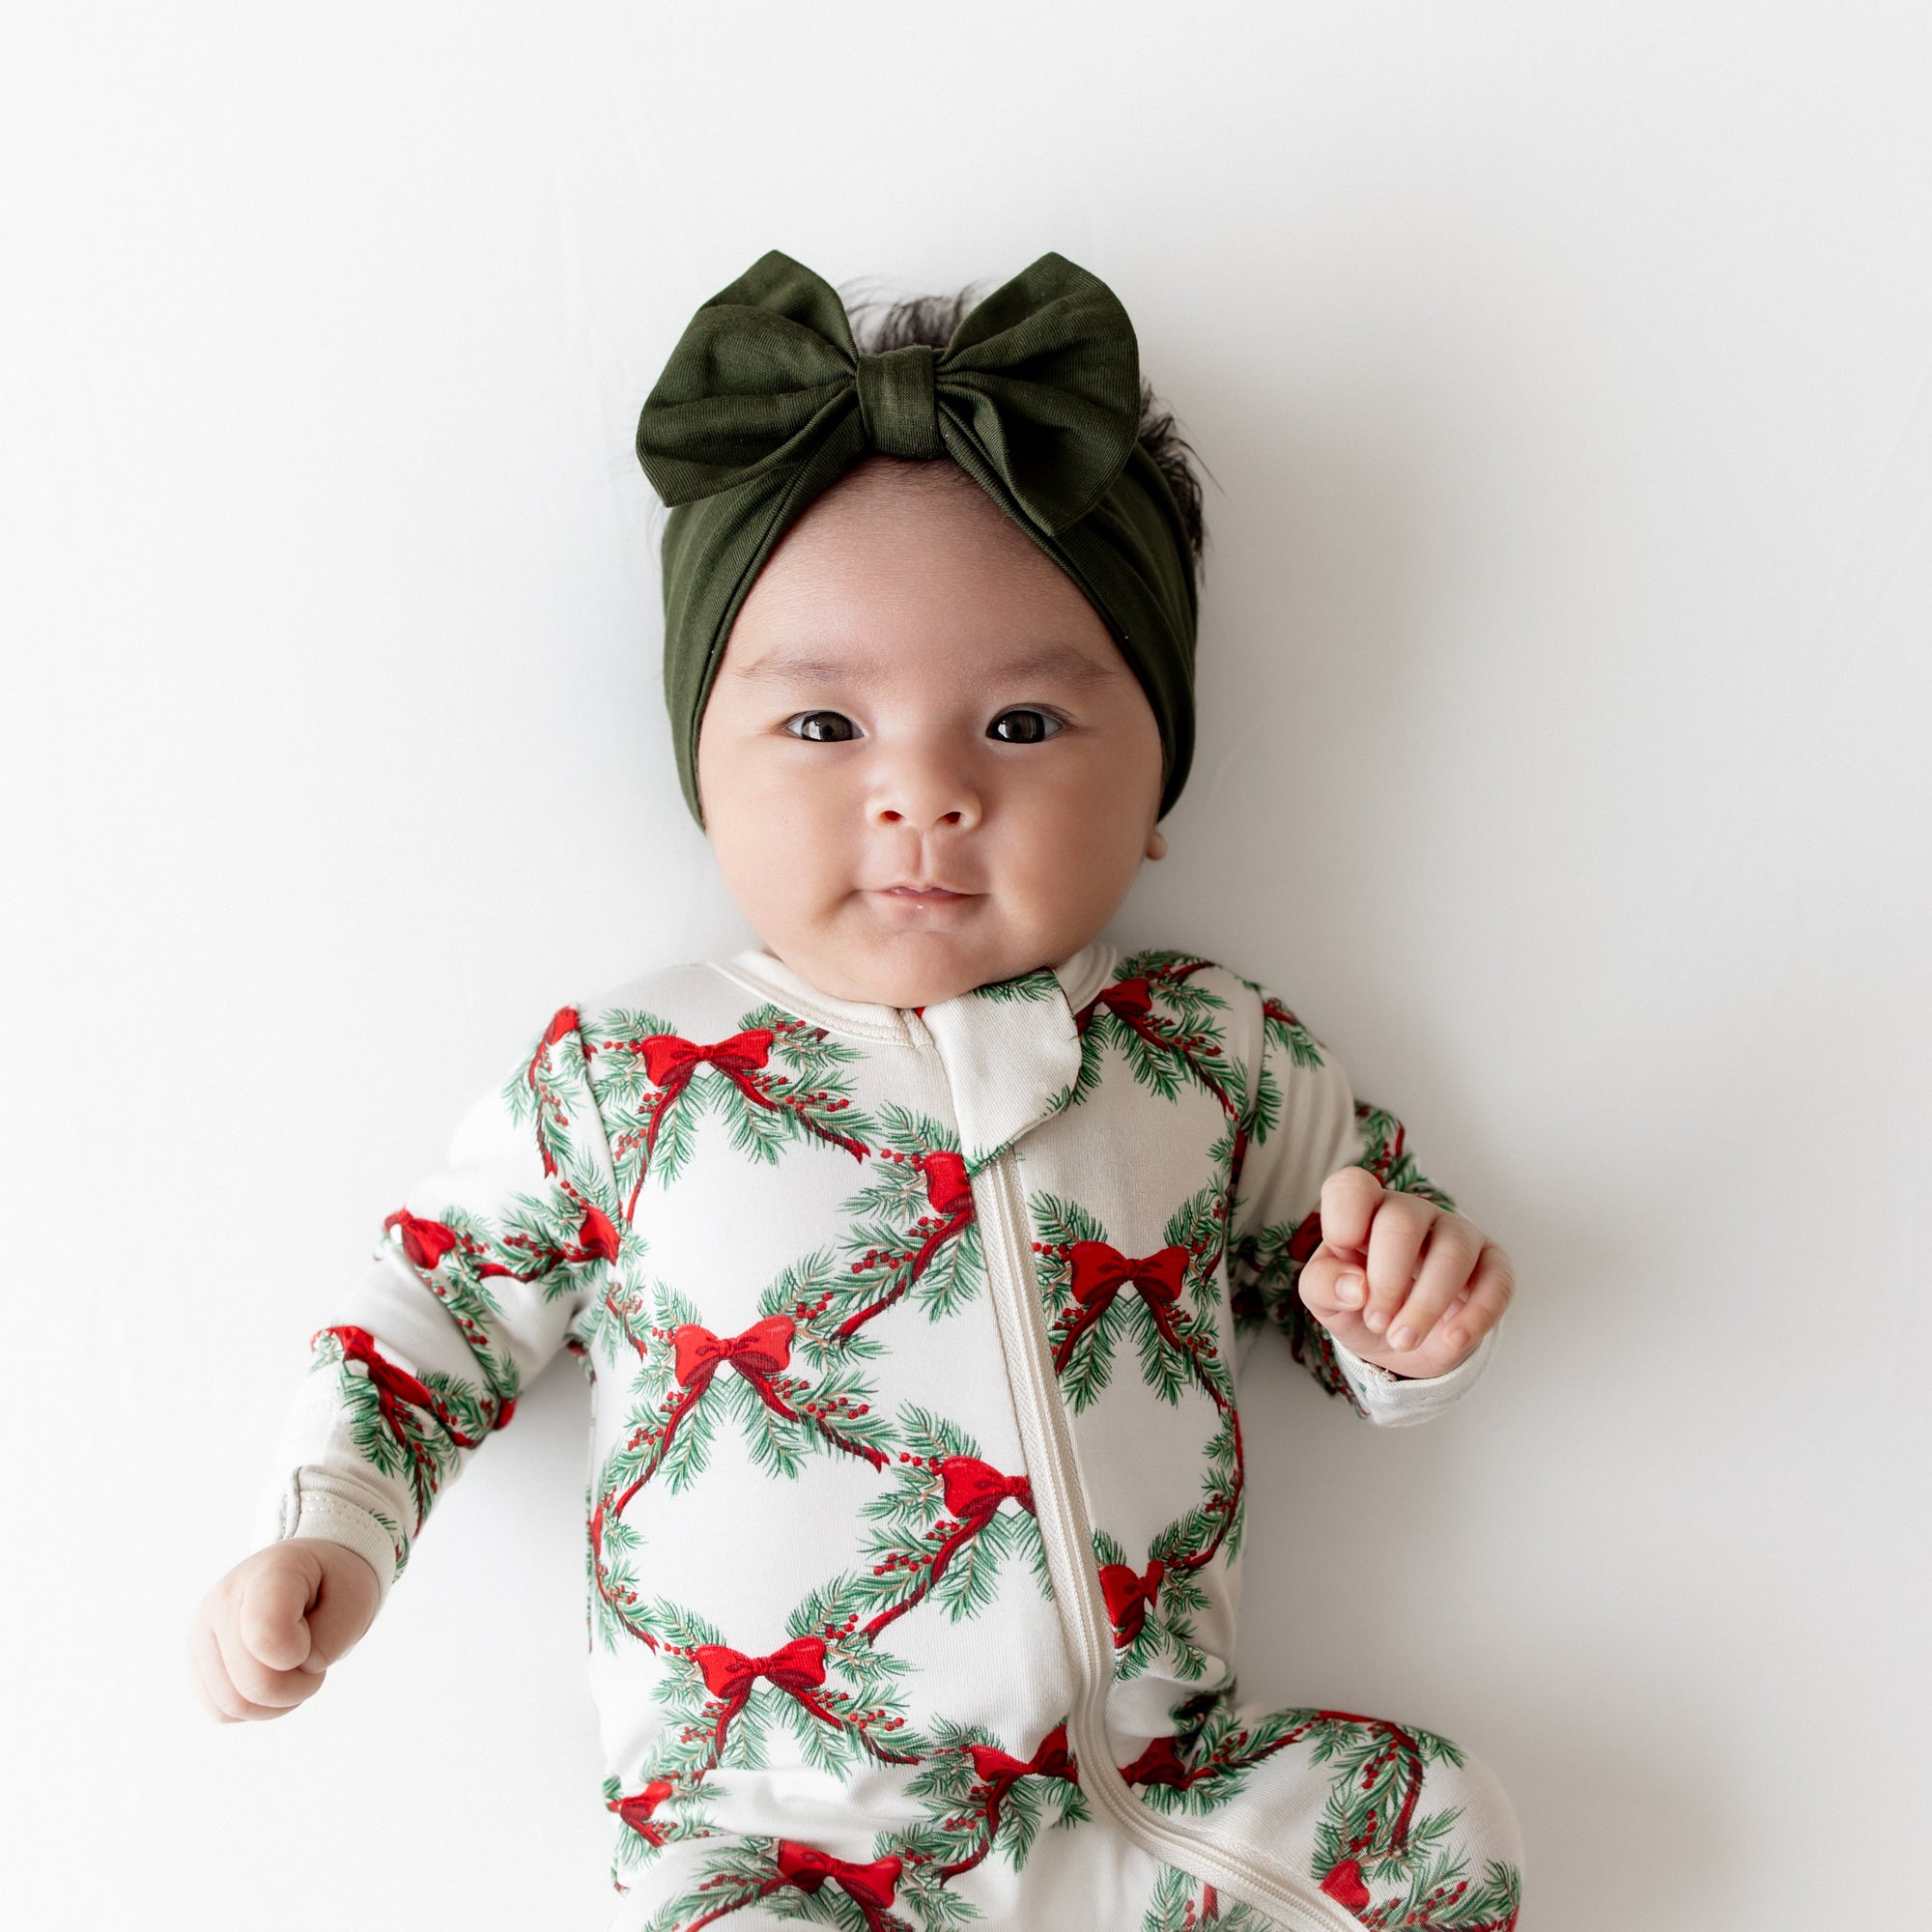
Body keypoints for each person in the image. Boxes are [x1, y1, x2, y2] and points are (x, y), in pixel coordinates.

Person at [188, 250, 1525, 1931]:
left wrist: (1403, 1324)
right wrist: (330, 1535)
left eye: (1025, 723)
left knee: (1432, 1827)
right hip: (778, 1838)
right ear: (704, 773)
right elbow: (430, 1314)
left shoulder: (1213, 1054)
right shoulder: (627, 1078)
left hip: (1148, 1809)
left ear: (1160, 784)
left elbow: (1354, 1263)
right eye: (825, 726)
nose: (926, 793)